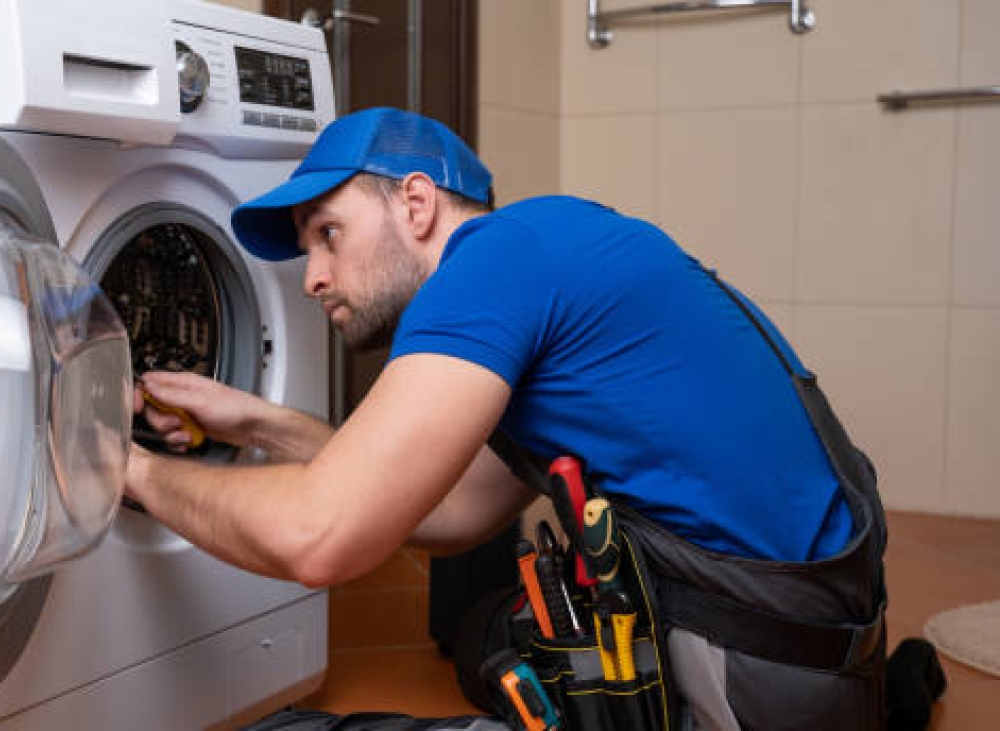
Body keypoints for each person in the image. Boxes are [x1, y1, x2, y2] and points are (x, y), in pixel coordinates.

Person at [124, 107, 889, 729]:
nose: (313, 277)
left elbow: (317, 536)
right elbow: (456, 507)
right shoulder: (546, 246)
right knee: (488, 635)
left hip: (751, 671)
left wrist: (127, 467)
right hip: (823, 645)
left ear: (416, 204)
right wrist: (256, 422)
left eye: (328, 233)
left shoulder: (489, 265)